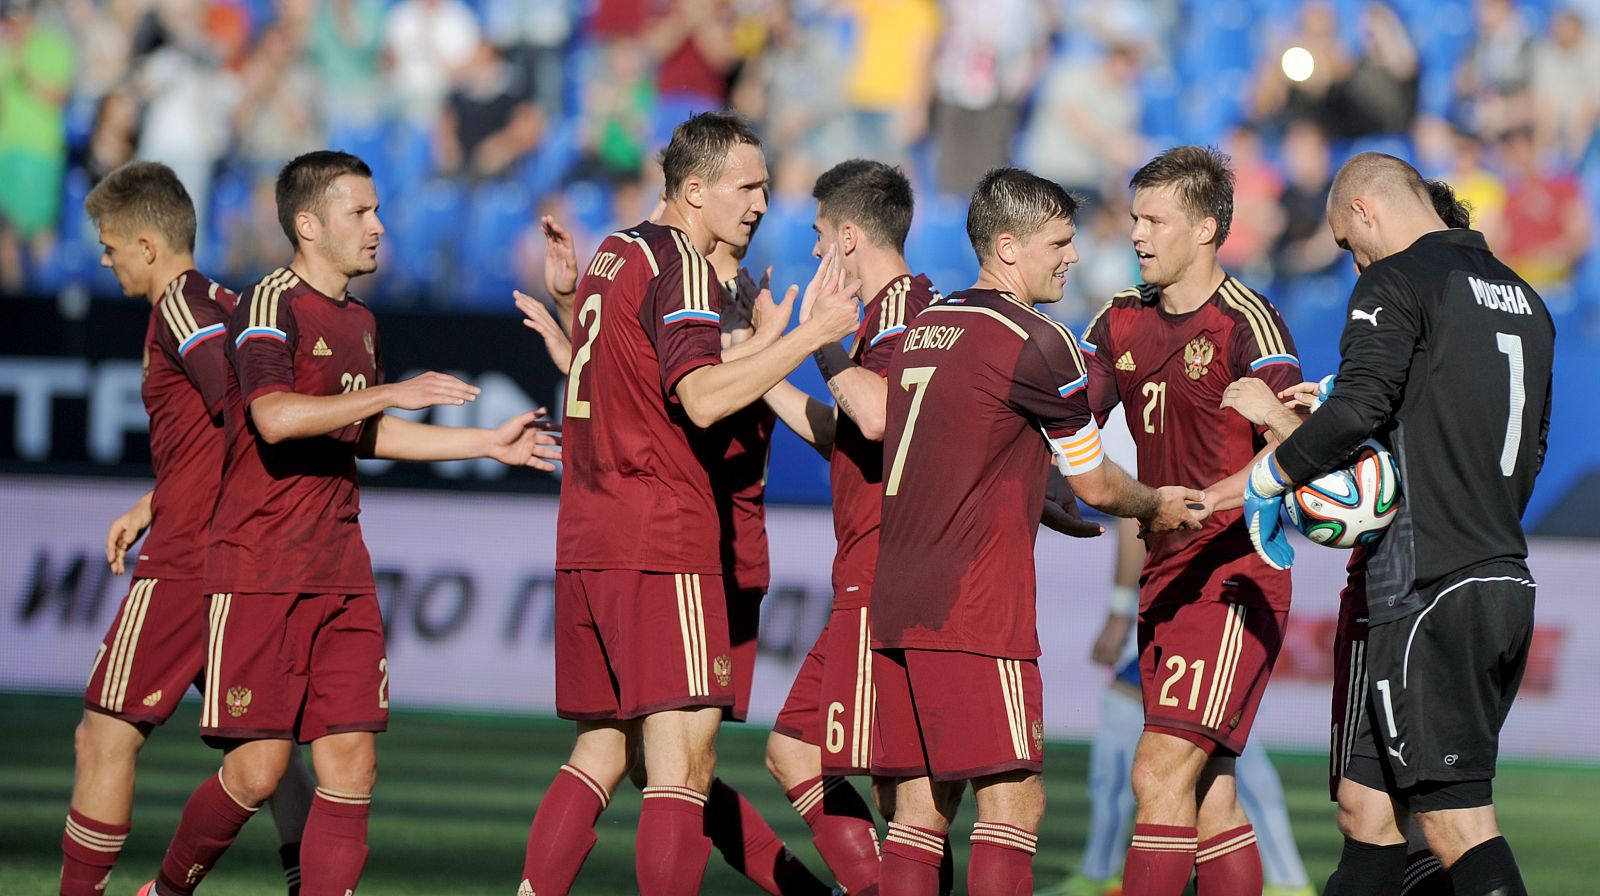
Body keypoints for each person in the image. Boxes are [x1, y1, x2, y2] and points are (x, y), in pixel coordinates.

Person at [138, 150, 559, 896]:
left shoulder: (360, 318)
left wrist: (485, 444)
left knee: (352, 764)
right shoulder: (269, 303)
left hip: (339, 568)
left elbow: (361, 436)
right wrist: (389, 392)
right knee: (259, 769)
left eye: (377, 210)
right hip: (259, 568)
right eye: (360, 212)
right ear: (309, 224)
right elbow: (272, 418)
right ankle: (165, 891)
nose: (378, 226)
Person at [518, 111, 862, 896]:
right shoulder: (680, 265)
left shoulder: (617, 253)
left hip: (591, 534)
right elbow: (702, 398)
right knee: (681, 766)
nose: (762, 203)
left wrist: (576, 317)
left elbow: (631, 379)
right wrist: (806, 336)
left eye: (767, 188)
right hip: (663, 536)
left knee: (605, 751)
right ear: (695, 190)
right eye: (747, 187)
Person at [868, 167, 1206, 895]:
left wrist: (1033, 489)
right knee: (1015, 806)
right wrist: (1153, 505)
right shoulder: (1035, 339)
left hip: (895, 600)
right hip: (973, 607)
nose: (1074, 256)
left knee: (920, 814)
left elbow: (961, 445)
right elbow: (1095, 480)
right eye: (1060, 241)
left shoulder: (924, 329)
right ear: (1008, 246)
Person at [1225, 152, 1554, 896]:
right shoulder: (1526, 299)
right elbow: (1527, 446)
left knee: (1454, 826)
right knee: (1366, 811)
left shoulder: (1396, 279)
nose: (1352, 262)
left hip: (1426, 587)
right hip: (1496, 574)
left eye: (1347, 243)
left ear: (1367, 211)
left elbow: (1361, 408)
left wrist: (1274, 459)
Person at [58, 161, 314, 896]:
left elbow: (241, 401)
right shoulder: (222, 299)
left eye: (109, 247)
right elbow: (215, 431)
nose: (105, 262)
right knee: (264, 748)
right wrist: (154, 498)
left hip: (190, 560)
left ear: (146, 244)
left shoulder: (181, 306)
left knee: (104, 733)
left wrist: (181, 513)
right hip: (239, 553)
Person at [1075, 145, 1303, 896]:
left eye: (1153, 220)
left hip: (1235, 576)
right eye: (1134, 217)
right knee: (1211, 796)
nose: (1136, 234)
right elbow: (1068, 420)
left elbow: (1305, 448)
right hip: (1164, 574)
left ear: (1207, 229)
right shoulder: (1118, 320)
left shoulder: (1249, 324)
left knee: (1157, 770)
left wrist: (1215, 496)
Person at [760, 159, 940, 894]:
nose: (811, 253)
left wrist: (818, 339)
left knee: (806, 754)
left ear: (851, 237)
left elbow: (874, 414)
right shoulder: (899, 311)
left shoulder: (903, 313)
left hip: (885, 572)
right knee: (903, 792)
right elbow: (850, 435)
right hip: (877, 569)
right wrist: (767, 365)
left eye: (818, 237)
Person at [1049, 416, 1315, 896]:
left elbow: (1134, 512)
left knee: (1188, 760)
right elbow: (1135, 517)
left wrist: (1117, 612)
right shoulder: (1135, 383)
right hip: (1169, 590)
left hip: (1207, 586)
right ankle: (1099, 868)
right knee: (1205, 771)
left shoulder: (1211, 377)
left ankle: (1288, 878)